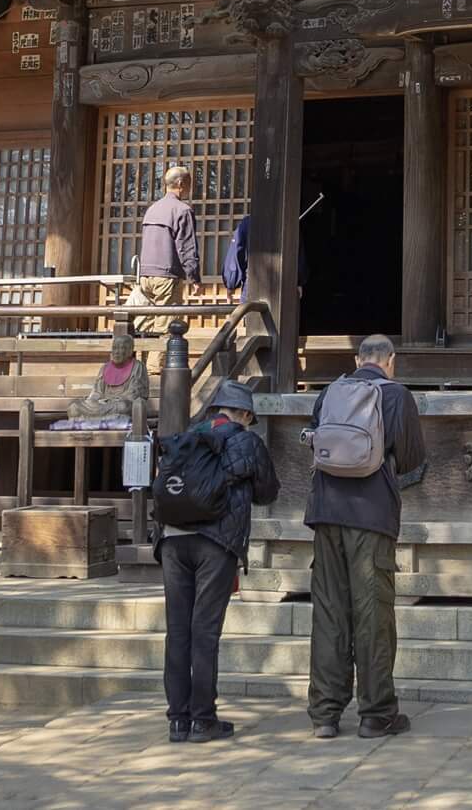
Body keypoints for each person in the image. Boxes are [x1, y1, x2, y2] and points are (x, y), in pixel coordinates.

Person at [305, 334, 426, 740]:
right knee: (372, 612)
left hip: (325, 511)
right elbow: (411, 458)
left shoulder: (329, 393)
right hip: (371, 516)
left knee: (328, 610)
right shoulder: (397, 397)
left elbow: (316, 446)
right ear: (390, 361)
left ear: (358, 359)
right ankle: (376, 713)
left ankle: (325, 713)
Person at [158, 379, 279, 743]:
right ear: (243, 413)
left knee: (177, 631)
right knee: (205, 632)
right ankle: (203, 720)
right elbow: (267, 491)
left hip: (172, 540)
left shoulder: (186, 437)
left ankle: (178, 720)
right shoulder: (245, 440)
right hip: (216, 543)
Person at [133, 164, 200, 333]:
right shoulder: (183, 210)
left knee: (144, 329)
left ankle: (142, 360)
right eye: (189, 183)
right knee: (166, 331)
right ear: (180, 183)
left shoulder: (152, 209)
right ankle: (155, 362)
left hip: (145, 276)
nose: (190, 188)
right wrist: (194, 278)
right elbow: (186, 247)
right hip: (167, 277)